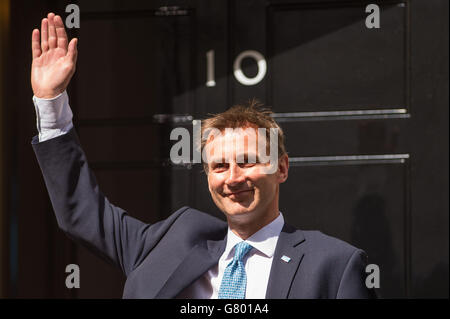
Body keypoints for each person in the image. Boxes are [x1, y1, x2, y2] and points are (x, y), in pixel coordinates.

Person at [30, 13, 376, 299]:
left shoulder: (332, 264)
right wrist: (50, 101)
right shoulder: (173, 241)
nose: (233, 178)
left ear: (281, 167)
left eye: (247, 161)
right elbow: (83, 215)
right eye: (220, 165)